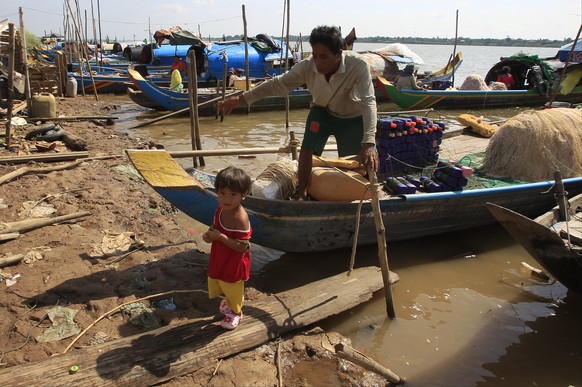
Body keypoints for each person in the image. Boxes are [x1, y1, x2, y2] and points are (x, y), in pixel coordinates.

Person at [218, 25, 378, 200]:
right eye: (315, 56)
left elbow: (368, 102)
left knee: (359, 164)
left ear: (339, 53)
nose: (318, 62)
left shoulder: (358, 65)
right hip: (322, 112)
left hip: (352, 118)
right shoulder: (307, 66)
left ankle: (363, 198)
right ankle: (302, 192)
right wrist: (242, 99)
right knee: (307, 149)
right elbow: (278, 84)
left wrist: (369, 142)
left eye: (324, 57)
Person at [202, 166, 252, 330]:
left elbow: (243, 247)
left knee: (232, 285)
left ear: (243, 195)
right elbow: (215, 225)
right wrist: (209, 234)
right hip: (220, 255)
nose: (226, 198)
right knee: (219, 279)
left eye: (233, 194)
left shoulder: (240, 218)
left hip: (234, 261)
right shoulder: (220, 209)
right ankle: (229, 303)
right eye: (222, 193)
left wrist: (221, 237)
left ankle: (236, 312)